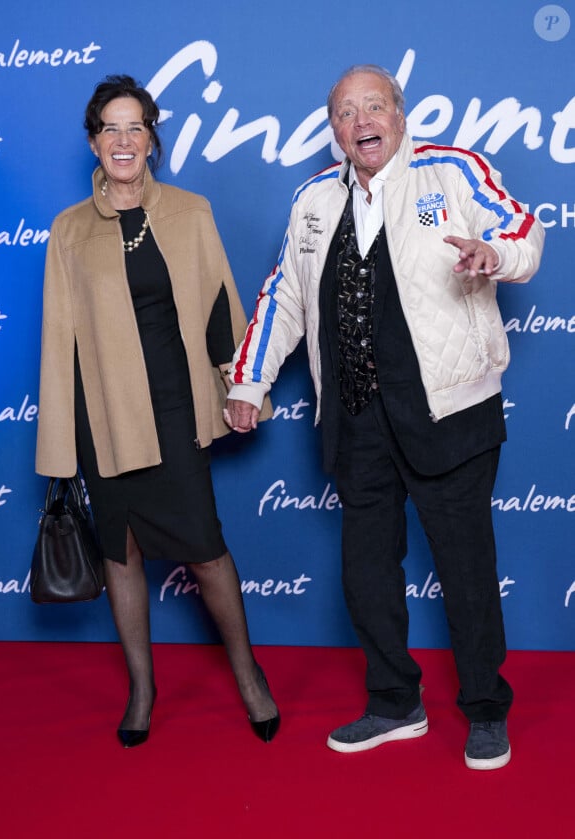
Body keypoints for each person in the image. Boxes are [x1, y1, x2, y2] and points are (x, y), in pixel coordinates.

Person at [224, 65, 544, 770]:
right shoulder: (312, 199)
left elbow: (522, 228)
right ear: (333, 128)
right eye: (344, 111)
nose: (360, 119)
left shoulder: (451, 171)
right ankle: (396, 701)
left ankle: (486, 708)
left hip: (448, 410)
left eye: (374, 105)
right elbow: (283, 295)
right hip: (357, 417)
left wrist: (499, 254)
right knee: (366, 571)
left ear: (400, 114)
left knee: (465, 570)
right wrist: (250, 379)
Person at [36, 74, 279, 748]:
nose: (122, 139)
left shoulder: (191, 212)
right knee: (121, 554)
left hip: (174, 408)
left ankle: (249, 675)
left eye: (134, 125)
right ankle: (142, 689)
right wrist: (61, 444)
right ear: (94, 141)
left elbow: (221, 312)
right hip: (105, 416)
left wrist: (243, 386)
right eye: (109, 127)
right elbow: (59, 343)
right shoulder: (67, 230)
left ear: (152, 139)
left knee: (206, 549)